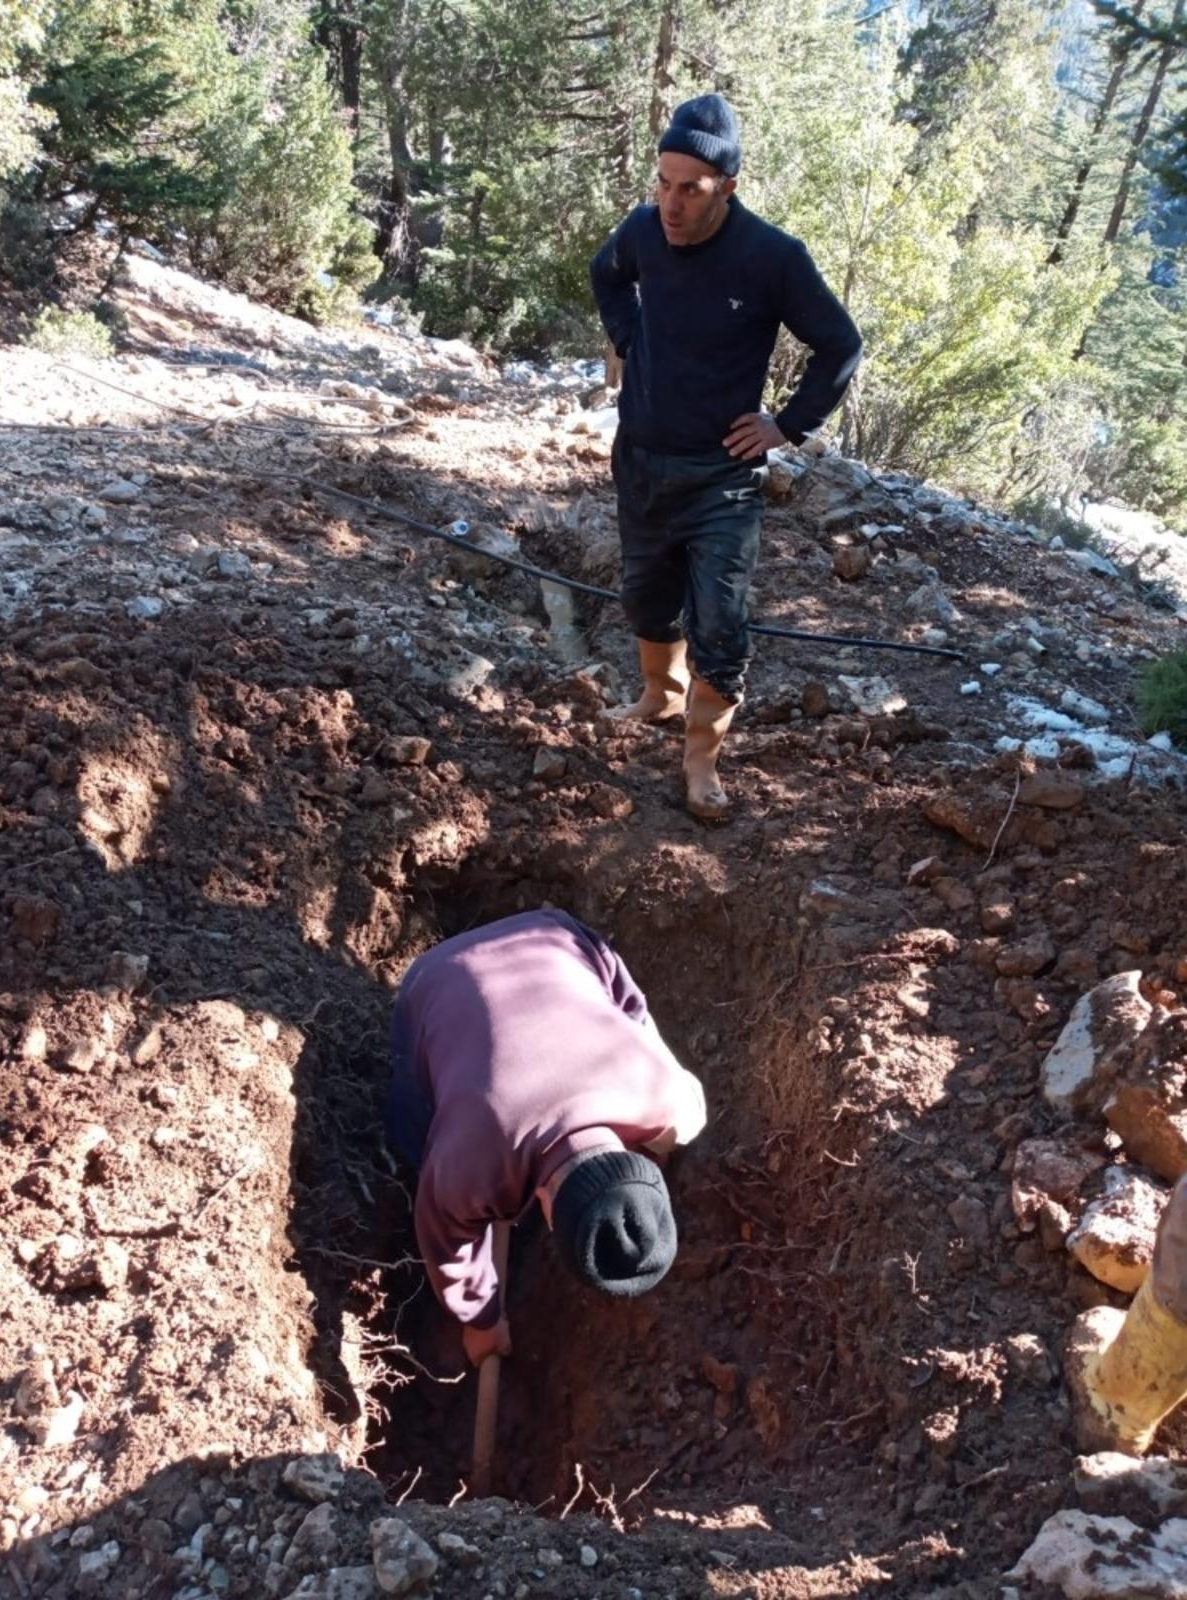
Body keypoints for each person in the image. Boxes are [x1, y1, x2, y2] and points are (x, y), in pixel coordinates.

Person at [589, 92, 863, 820]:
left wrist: (789, 425)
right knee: (646, 593)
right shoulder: (644, 231)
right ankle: (658, 695)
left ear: (727, 188)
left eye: (691, 190)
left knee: (721, 621)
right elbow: (606, 274)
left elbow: (840, 344)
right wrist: (628, 335)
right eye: (663, 183)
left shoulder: (772, 258)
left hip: (722, 475)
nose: (671, 205)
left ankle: (701, 759)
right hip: (642, 457)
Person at [387, 909, 707, 1367]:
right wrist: (480, 1321)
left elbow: (635, 1016)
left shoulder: (670, 1102)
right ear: (545, 1211)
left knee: (627, 1009)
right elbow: (446, 1243)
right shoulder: (464, 1167)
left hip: (554, 933)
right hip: (431, 979)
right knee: (411, 1127)